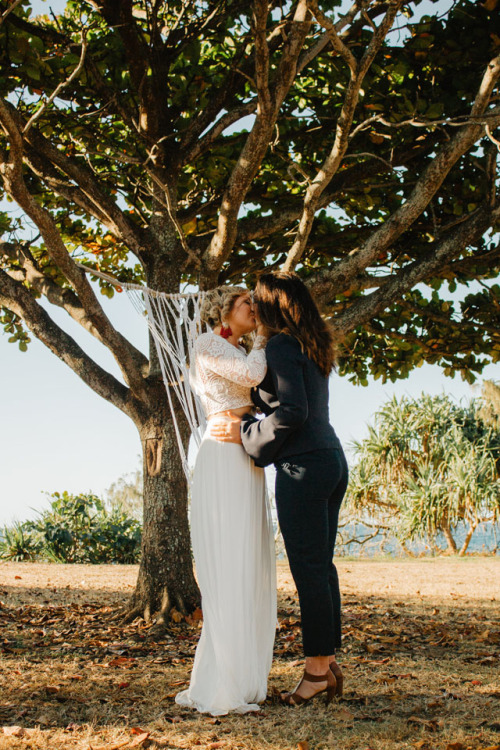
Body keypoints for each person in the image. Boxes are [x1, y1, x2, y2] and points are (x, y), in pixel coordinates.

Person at [212, 271, 348, 706]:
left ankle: (314, 674)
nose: (251, 305)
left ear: (272, 306)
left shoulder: (282, 346)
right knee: (321, 568)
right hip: (331, 460)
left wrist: (247, 432)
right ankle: (325, 664)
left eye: (257, 300)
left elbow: (292, 410)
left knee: (309, 570)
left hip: (303, 470)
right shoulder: (312, 345)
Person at [175, 286, 277, 716]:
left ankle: (245, 670)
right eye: (246, 305)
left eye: (254, 306)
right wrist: (265, 336)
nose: (253, 310)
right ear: (223, 311)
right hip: (223, 453)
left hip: (244, 450)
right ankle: (223, 677)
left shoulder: (232, 348)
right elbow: (254, 375)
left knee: (250, 557)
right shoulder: (208, 344)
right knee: (231, 557)